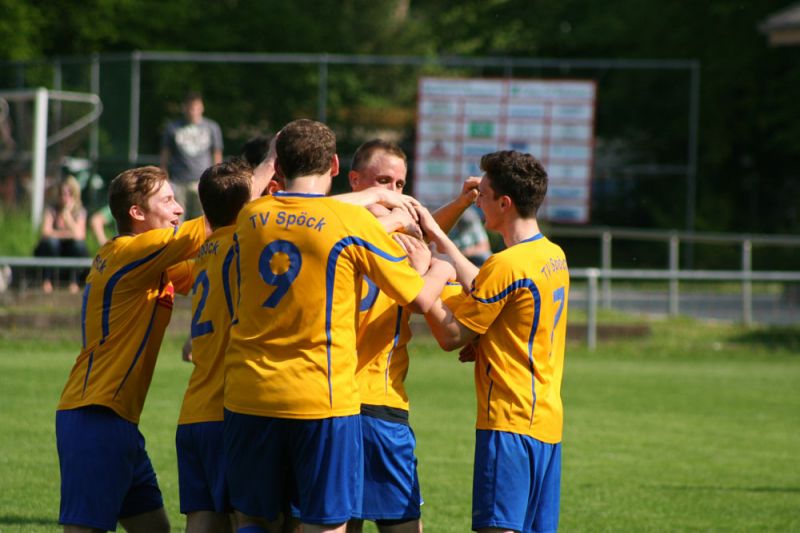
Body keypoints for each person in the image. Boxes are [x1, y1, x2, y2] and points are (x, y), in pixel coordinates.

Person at [223, 119, 454, 533]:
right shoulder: (351, 224)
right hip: (321, 397)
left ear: (278, 167)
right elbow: (419, 298)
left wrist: (366, 193)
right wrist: (442, 268)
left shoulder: (251, 216)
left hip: (249, 392)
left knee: (255, 519)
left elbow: (255, 196)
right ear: (334, 165)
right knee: (326, 522)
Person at [416, 150, 570, 533]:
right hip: (546, 421)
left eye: (483, 195)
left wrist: (429, 285)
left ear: (505, 203)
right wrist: (441, 241)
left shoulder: (506, 265)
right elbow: (490, 289)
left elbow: (452, 335)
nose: (477, 202)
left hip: (508, 421)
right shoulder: (552, 255)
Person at [55, 166, 209, 533]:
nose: (178, 208)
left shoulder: (148, 261)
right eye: (167, 200)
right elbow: (213, 221)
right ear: (137, 212)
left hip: (119, 420)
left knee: (155, 529)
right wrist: (268, 165)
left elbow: (205, 272)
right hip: (95, 415)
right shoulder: (130, 251)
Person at [345, 139, 479, 533]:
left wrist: (459, 205)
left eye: (400, 184)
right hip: (370, 402)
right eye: (383, 181)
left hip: (345, 404)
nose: (393, 193)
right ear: (355, 181)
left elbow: (420, 233)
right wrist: (439, 270)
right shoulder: (387, 241)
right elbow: (427, 274)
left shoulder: (330, 234)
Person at [176, 159, 255, 533]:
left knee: (203, 517)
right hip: (229, 408)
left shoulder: (206, 250)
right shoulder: (245, 246)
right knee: (249, 517)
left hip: (194, 410)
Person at [160, 92, 223, 218]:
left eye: (196, 107)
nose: (192, 111)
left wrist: (216, 177)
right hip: (179, 181)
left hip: (202, 181)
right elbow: (165, 154)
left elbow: (216, 153)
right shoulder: (172, 127)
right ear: (184, 108)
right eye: (189, 108)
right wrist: (164, 177)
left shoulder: (212, 127)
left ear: (202, 107)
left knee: (203, 220)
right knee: (176, 219)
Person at [33, 175, 88, 294]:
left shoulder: (80, 211)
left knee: (78, 246)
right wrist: (68, 234)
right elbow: (45, 232)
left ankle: (73, 282)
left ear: (74, 195)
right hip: (53, 249)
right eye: (62, 193)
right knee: (51, 243)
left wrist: (66, 215)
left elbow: (80, 236)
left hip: (70, 249)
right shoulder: (51, 209)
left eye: (69, 193)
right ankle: (47, 281)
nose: (65, 197)